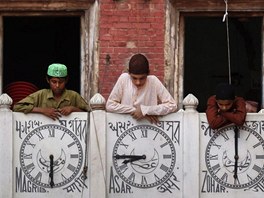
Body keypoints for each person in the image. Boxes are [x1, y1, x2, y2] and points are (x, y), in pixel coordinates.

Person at [106, 53, 177, 124]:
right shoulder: (124, 79)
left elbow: (172, 105)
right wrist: (135, 111)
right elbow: (110, 105)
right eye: (134, 78)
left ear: (148, 74)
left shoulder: (153, 81)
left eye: (142, 78)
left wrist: (146, 110)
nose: (138, 82)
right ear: (129, 73)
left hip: (149, 128)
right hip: (126, 128)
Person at [13, 63, 89, 120]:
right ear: (47, 80)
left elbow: (89, 113)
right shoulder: (41, 94)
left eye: (61, 82)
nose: (57, 85)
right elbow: (17, 107)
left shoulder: (73, 95)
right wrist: (42, 110)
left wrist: (73, 109)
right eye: (54, 82)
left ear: (66, 80)